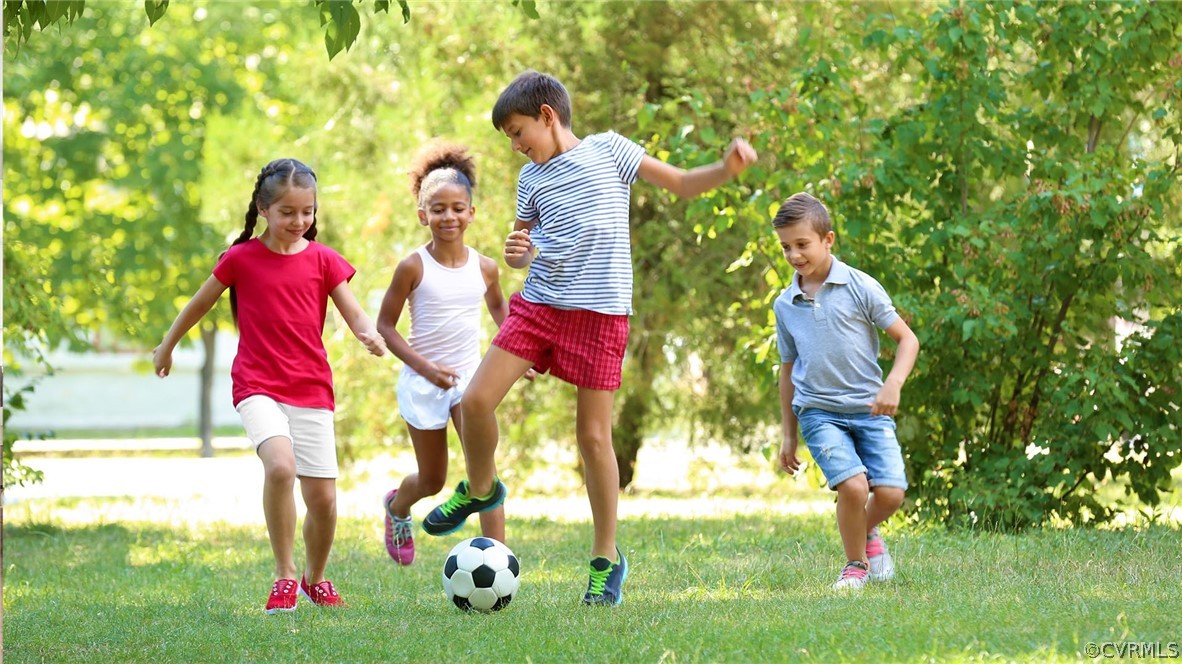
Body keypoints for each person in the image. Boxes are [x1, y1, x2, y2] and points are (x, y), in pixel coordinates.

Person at [419, 70, 757, 606]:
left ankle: (605, 560)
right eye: (508, 137)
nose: (514, 145)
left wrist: (725, 168)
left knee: (594, 439)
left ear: (548, 116)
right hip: (539, 306)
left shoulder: (610, 151)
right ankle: (479, 489)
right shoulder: (530, 180)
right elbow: (527, 244)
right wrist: (518, 255)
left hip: (600, 315)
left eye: (517, 131)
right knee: (477, 400)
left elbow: (681, 183)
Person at [153, 158, 388, 614]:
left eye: (307, 212)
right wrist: (167, 345)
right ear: (263, 209)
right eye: (287, 213)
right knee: (280, 467)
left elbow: (353, 310)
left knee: (322, 500)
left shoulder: (324, 260)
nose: (298, 222)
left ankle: (314, 578)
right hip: (257, 383)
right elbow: (198, 305)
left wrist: (367, 333)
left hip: (311, 387)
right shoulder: (240, 259)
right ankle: (283, 575)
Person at [375, 140, 530, 566]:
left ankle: (498, 560)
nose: (449, 216)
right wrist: (425, 368)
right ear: (423, 215)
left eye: (458, 208)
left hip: (470, 382)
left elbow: (500, 307)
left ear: (471, 212)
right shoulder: (413, 267)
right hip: (422, 382)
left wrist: (517, 351)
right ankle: (397, 507)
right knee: (433, 480)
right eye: (438, 209)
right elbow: (385, 328)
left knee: (484, 473)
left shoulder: (485, 267)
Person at [771, 192, 920, 590]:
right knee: (853, 487)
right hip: (818, 411)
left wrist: (893, 384)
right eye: (786, 246)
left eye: (802, 244)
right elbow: (788, 370)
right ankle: (855, 564)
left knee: (890, 493)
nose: (794, 254)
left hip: (870, 408)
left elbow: (907, 340)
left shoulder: (860, 286)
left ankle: (865, 533)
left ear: (828, 239)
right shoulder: (785, 304)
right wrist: (789, 434)